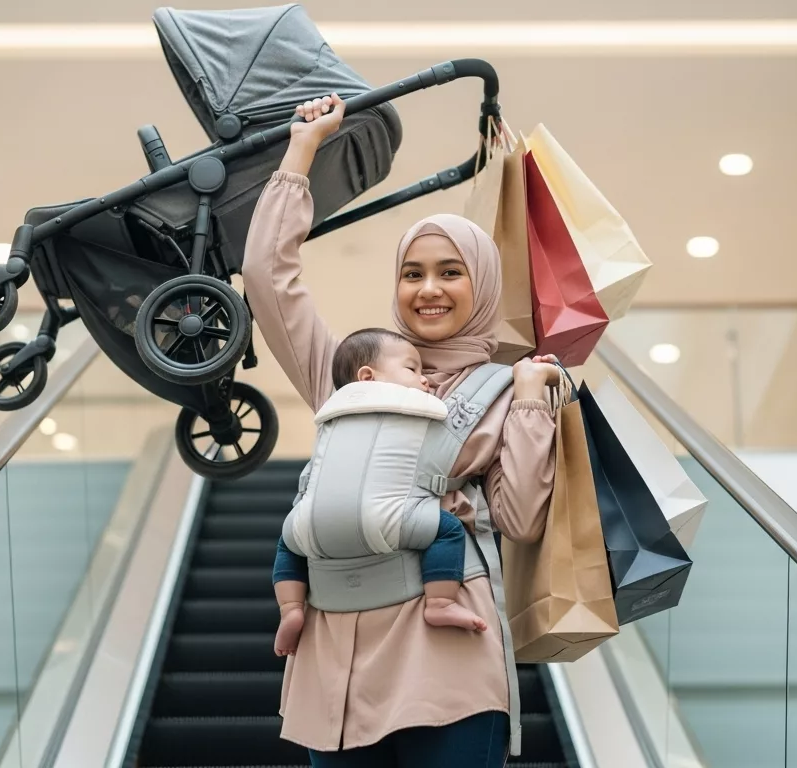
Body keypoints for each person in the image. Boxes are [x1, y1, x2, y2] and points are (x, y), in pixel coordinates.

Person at [242, 93, 559, 767]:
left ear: (485, 284)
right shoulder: (353, 377)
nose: (429, 289)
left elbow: (521, 519)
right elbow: (270, 284)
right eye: (413, 273)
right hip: (334, 663)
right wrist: (301, 153)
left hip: (447, 657)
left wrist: (531, 402)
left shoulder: (507, 388)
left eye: (452, 272)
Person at [272, 327, 489, 659]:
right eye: (412, 369)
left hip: (310, 524)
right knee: (448, 530)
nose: (425, 381)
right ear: (368, 377)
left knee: (287, 543)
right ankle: (440, 602)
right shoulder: (418, 407)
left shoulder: (331, 414)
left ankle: (290, 609)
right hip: (385, 520)